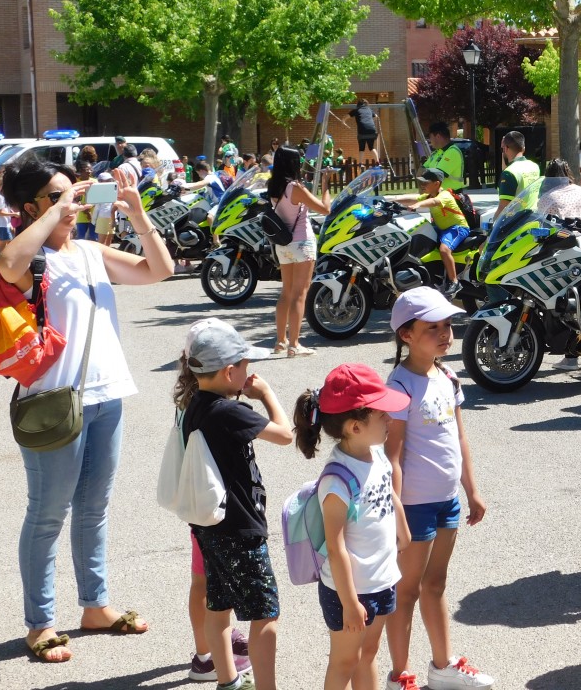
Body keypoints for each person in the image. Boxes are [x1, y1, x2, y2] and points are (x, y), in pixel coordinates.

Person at [0, 154, 173, 664]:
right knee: (48, 513)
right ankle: (40, 623)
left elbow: (157, 271)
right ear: (31, 207)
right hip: (54, 403)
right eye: (56, 197)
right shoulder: (30, 259)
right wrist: (57, 210)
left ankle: (94, 606)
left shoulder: (91, 252)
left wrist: (137, 212)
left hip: (106, 395)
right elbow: (7, 265)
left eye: (72, 193)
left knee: (94, 509)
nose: (70, 204)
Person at [384, 289, 492, 690]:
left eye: (447, 325)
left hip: (446, 501)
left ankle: (443, 665)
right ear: (406, 335)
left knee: (436, 584)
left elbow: (459, 439)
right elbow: (391, 454)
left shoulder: (447, 376)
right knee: (407, 590)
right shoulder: (400, 384)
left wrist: (472, 490)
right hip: (413, 505)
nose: (445, 334)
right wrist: (396, 510)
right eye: (433, 328)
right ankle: (400, 675)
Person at [176, 318, 291, 690]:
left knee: (219, 605)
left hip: (211, 526)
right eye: (244, 365)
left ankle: (228, 681)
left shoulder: (195, 403)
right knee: (265, 614)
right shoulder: (228, 412)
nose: (249, 372)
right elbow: (286, 435)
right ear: (229, 372)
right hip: (240, 528)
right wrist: (267, 394)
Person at [293, 364, 412, 690]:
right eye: (382, 414)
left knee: (368, 653)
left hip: (380, 579)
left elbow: (387, 490)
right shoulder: (336, 480)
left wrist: (402, 526)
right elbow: (335, 546)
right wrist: (349, 602)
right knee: (345, 661)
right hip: (350, 591)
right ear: (355, 427)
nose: (390, 419)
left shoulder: (375, 454)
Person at [266, 146, 331, 357]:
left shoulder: (273, 186)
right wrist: (326, 184)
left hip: (283, 244)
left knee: (286, 293)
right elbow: (325, 209)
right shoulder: (295, 186)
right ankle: (295, 344)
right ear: (293, 163)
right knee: (300, 295)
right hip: (302, 243)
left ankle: (280, 341)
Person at [390, 168, 470, 299]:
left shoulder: (444, 195)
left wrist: (418, 205)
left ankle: (454, 282)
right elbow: (413, 198)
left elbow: (433, 203)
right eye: (421, 182)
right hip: (441, 228)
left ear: (437, 184)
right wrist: (392, 199)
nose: (422, 185)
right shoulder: (429, 195)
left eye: (426, 182)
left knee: (444, 250)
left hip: (457, 228)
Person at [494, 130, 540, 220]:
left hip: (515, 224)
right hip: (532, 219)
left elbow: (503, 207)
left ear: (506, 149)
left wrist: (492, 226)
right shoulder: (534, 167)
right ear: (523, 148)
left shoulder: (509, 173)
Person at [537, 159, 581, 225]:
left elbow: (540, 222)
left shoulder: (547, 198)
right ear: (568, 173)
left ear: (547, 177)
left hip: (568, 233)